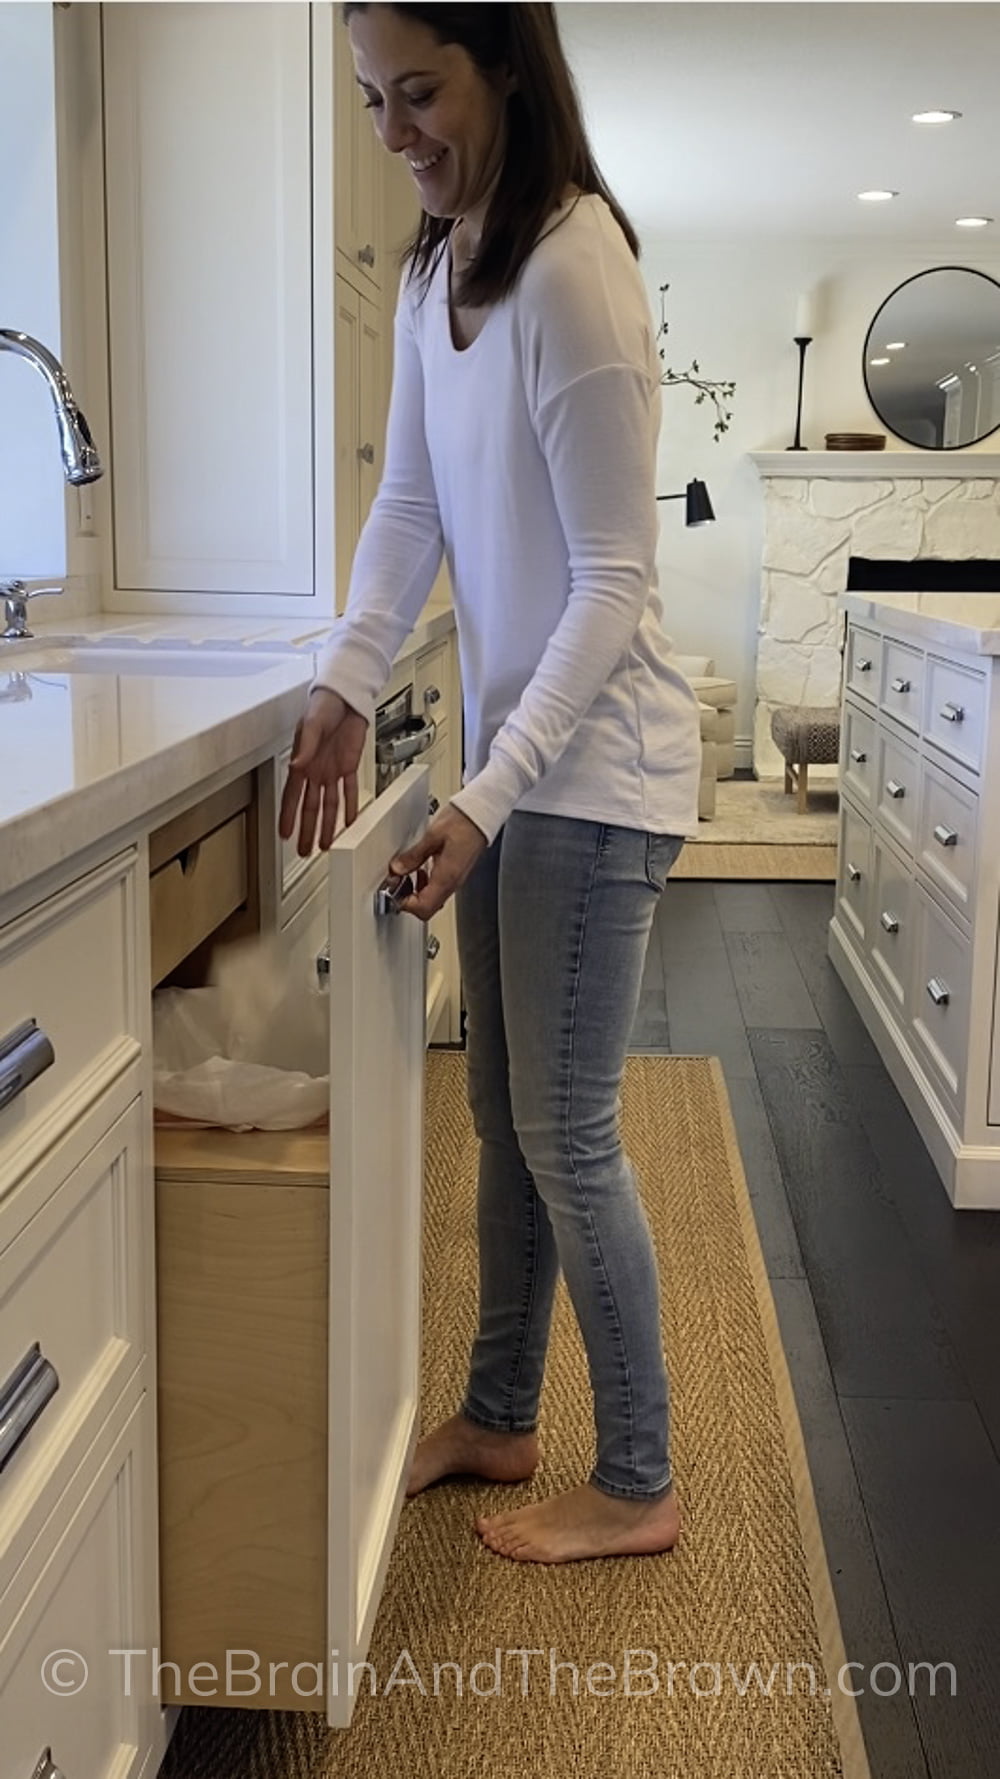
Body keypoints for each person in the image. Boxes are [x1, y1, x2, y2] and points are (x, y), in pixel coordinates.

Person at [279, 1, 702, 1565]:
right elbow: (408, 514)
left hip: (601, 770)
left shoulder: (576, 269)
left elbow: (611, 580)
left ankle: (642, 1480)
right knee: (505, 1113)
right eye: (373, 100)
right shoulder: (431, 276)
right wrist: (340, 677)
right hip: (525, 772)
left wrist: (483, 796)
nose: (394, 137)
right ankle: (503, 1414)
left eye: (420, 94)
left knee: (567, 1128)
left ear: (508, 67)